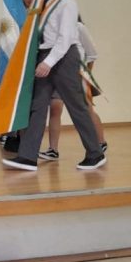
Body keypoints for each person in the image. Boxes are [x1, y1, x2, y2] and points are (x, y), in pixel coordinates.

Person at [2, 0, 105, 172]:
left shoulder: (66, 2)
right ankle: (28, 156)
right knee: (37, 106)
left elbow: (65, 37)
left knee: (76, 105)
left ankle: (95, 154)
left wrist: (48, 62)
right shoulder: (41, 2)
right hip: (44, 54)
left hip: (63, 57)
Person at [38, 17, 108, 161]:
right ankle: (53, 149)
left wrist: (85, 75)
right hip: (56, 74)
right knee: (55, 108)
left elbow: (92, 54)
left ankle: (100, 142)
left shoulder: (79, 27)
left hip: (77, 74)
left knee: (86, 109)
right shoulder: (51, 29)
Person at [1, 0, 39, 153]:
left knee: (26, 103)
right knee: (12, 100)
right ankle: (10, 135)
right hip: (14, 61)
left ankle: (22, 137)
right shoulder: (14, 13)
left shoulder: (36, 12)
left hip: (30, 63)